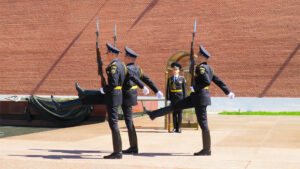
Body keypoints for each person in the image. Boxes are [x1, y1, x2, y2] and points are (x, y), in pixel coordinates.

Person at [144, 45, 235, 156]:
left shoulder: (200, 68)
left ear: (202, 56)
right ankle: (153, 114)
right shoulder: (209, 68)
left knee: (203, 123)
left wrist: (194, 87)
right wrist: (228, 92)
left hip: (199, 98)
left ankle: (207, 149)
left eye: (199, 54)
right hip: (197, 97)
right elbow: (218, 81)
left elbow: (207, 82)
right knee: (176, 106)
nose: (197, 56)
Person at [121, 46, 163, 154]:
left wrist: (144, 87)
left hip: (126, 96)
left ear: (130, 58)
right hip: (132, 95)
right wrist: (156, 91)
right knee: (129, 121)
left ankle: (133, 147)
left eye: (125, 56)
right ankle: (133, 146)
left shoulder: (127, 69)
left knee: (129, 121)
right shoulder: (138, 69)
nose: (124, 57)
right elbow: (148, 80)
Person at [166, 62, 187, 133]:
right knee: (174, 113)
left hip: (180, 98)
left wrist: (185, 99)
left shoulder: (182, 79)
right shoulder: (170, 79)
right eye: (173, 69)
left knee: (180, 113)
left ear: (178, 71)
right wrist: (168, 99)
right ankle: (175, 128)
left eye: (176, 69)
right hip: (173, 98)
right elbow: (168, 89)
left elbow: (184, 90)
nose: (174, 71)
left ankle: (179, 128)